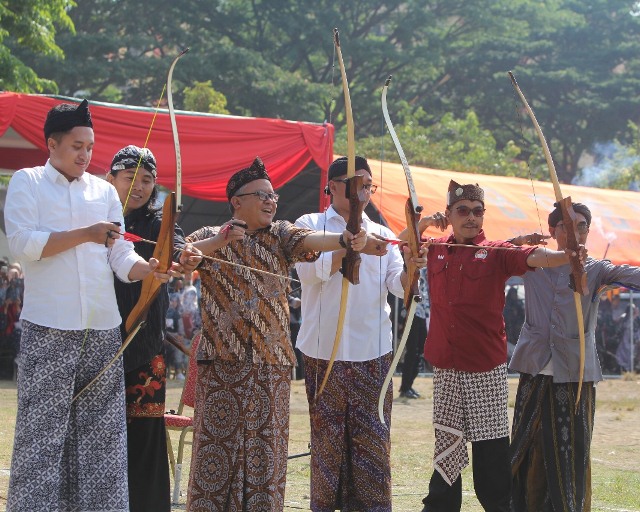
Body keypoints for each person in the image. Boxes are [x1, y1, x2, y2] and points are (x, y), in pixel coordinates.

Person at [4, 99, 176, 511]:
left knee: (102, 437)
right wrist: (86, 233)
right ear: (52, 143)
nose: (85, 154)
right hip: (49, 327)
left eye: (89, 146)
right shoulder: (27, 182)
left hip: (101, 329)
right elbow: (25, 244)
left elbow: (119, 257)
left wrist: (146, 270)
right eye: (77, 145)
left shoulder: (102, 192)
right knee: (41, 436)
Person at [184, 157, 382, 511]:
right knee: (216, 453)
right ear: (236, 202)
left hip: (271, 366)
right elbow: (184, 257)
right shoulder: (207, 237)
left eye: (273, 196)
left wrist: (343, 237)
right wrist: (220, 239)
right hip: (222, 366)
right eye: (261, 195)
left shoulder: (281, 234)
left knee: (267, 455)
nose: (270, 201)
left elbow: (312, 240)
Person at [406, 181, 585, 512]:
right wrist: (423, 223)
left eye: (477, 211)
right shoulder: (435, 249)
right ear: (450, 214)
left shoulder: (496, 251)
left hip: (484, 367)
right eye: (463, 211)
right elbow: (404, 243)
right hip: (445, 365)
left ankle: (500, 507)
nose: (471, 218)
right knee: (447, 442)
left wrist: (565, 256)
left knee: (491, 452)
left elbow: (533, 258)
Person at [508, 201, 640, 512]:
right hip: (534, 365)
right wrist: (520, 242)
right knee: (526, 443)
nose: (575, 232)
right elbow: (497, 254)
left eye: (582, 226)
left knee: (570, 446)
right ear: (552, 231)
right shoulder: (530, 262)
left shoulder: (595, 268)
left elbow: (626, 273)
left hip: (574, 369)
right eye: (566, 226)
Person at [294, 155, 425, 511]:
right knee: (328, 441)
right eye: (355, 184)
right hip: (325, 351)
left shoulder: (382, 234)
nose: (363, 191)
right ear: (334, 187)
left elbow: (399, 287)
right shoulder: (310, 223)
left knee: (373, 441)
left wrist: (412, 266)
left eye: (368, 185)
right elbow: (311, 273)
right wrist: (346, 244)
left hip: (373, 353)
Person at [106, 144, 201, 511]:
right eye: (131, 178)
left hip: (144, 347)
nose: (139, 186)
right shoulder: (97, 218)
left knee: (145, 435)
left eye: (147, 180)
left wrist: (185, 256)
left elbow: (176, 247)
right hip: (99, 343)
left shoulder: (159, 223)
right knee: (100, 437)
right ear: (111, 177)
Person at [399, 266, 430, 399]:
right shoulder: (420, 270)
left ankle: (409, 385)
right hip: (413, 313)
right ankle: (405, 387)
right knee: (412, 351)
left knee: (420, 350)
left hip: (423, 314)